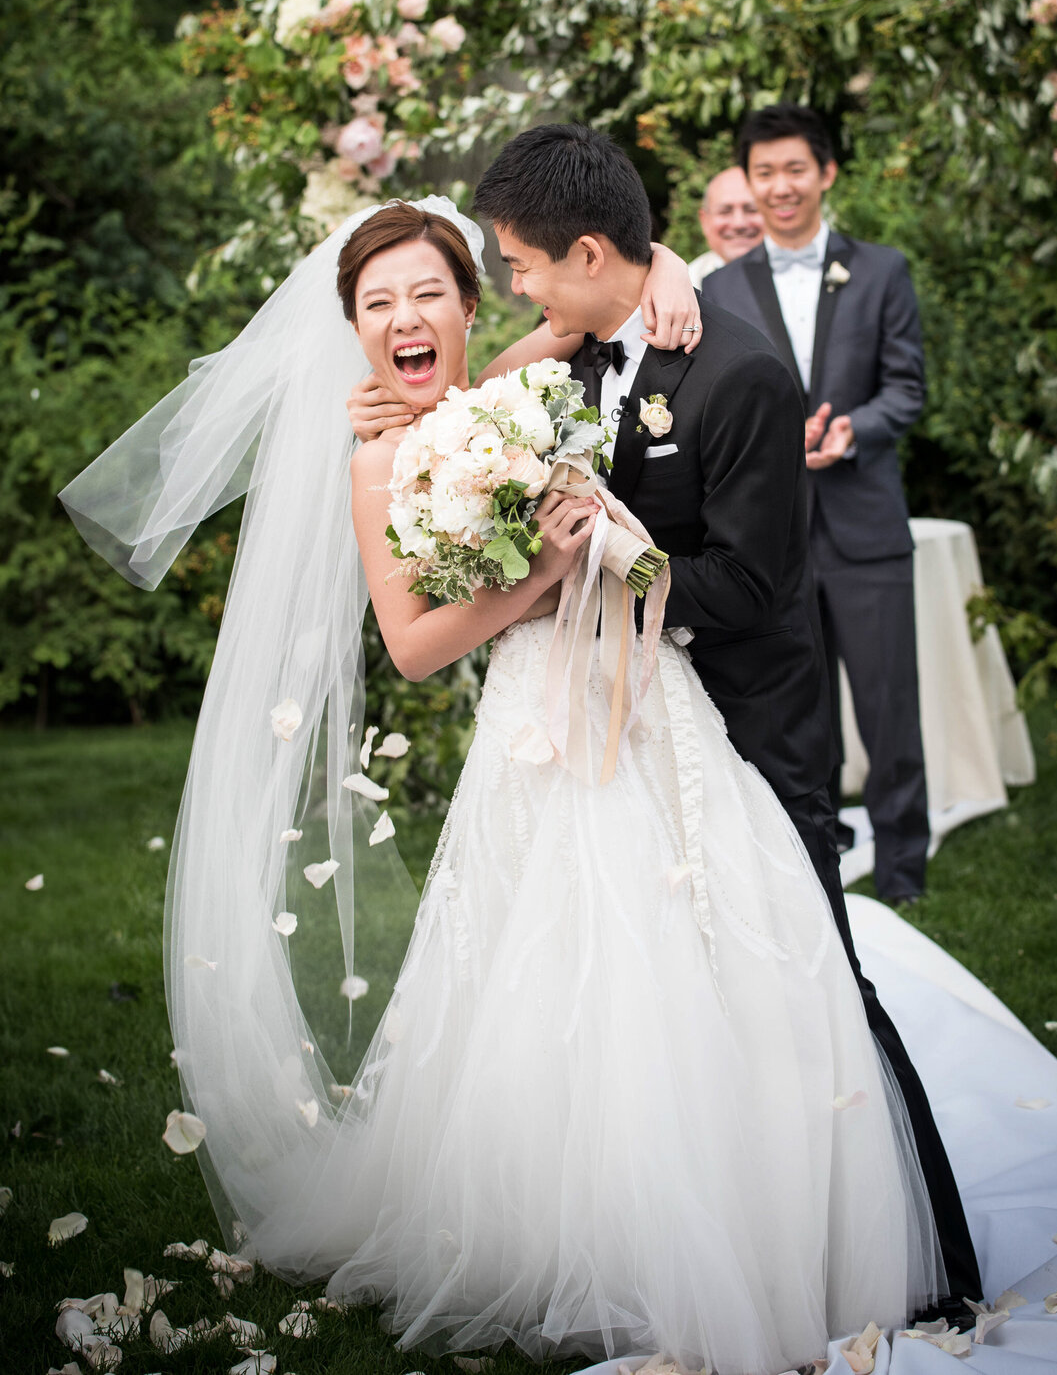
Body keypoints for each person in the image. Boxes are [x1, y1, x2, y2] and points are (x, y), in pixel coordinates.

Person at [61, 183, 948, 1375]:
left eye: (430, 292)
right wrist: (542, 573)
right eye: (378, 303)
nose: (406, 316)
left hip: (653, 702)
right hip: (536, 716)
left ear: (474, 304)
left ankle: (776, 1206)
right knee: (566, 968)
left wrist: (677, 261)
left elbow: (607, 288)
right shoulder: (379, 456)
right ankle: (586, 1238)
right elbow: (418, 647)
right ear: (354, 327)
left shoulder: (513, 388)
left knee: (718, 934)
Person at [703, 104, 930, 908]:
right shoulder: (719, 287)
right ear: (748, 181)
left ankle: (906, 869)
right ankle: (813, 856)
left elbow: (907, 389)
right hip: (774, 537)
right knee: (803, 710)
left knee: (888, 703)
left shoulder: (882, 271)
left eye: (795, 169)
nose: (780, 186)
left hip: (866, 524)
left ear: (826, 173)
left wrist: (854, 430)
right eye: (764, 172)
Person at [686, 164, 764, 283]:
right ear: (704, 221)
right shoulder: (687, 283)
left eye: (751, 210)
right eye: (725, 211)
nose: (739, 224)